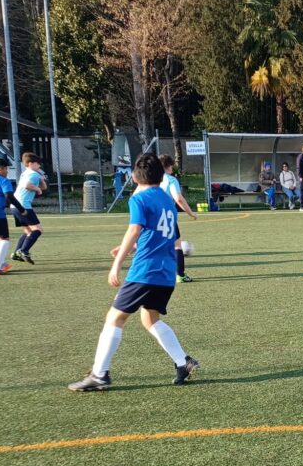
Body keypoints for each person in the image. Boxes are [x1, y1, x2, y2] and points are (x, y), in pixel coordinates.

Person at [69, 152, 199, 392]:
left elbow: (134, 230)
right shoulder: (166, 199)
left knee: (115, 318)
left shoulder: (139, 198)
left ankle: (99, 374)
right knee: (150, 318)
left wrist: (117, 263)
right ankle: (183, 362)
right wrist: (134, 247)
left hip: (145, 271)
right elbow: (162, 235)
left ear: (135, 176)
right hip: (166, 272)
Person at [158, 154, 199, 284]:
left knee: (155, 245)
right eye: (171, 166)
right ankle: (180, 275)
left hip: (152, 215)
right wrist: (190, 213)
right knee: (177, 245)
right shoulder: (170, 180)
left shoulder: (152, 179)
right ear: (168, 166)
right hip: (166, 217)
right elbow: (178, 198)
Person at [11, 152, 46, 265]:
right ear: (30, 163)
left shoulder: (25, 173)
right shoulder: (33, 174)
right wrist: (37, 189)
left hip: (14, 206)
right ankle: (23, 251)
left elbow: (43, 187)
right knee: (38, 230)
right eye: (37, 163)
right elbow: (27, 185)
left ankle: (16, 253)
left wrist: (41, 181)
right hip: (23, 206)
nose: (39, 165)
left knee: (28, 232)